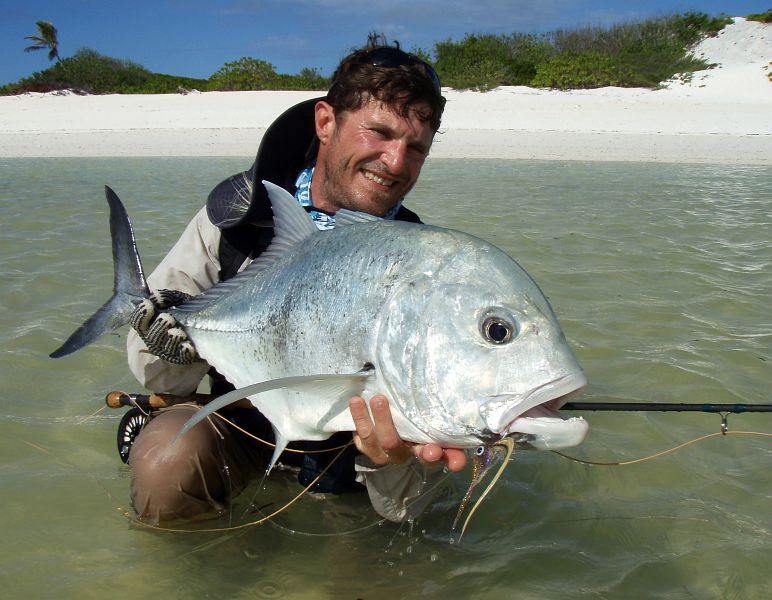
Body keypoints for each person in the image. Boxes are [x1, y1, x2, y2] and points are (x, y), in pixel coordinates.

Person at [125, 42, 467, 525]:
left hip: (351, 462)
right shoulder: (234, 223)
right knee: (166, 464)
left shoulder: (421, 266)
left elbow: (406, 508)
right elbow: (153, 377)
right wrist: (174, 346)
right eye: (379, 132)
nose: (394, 162)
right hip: (241, 429)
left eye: (415, 148)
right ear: (325, 122)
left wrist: (393, 457)